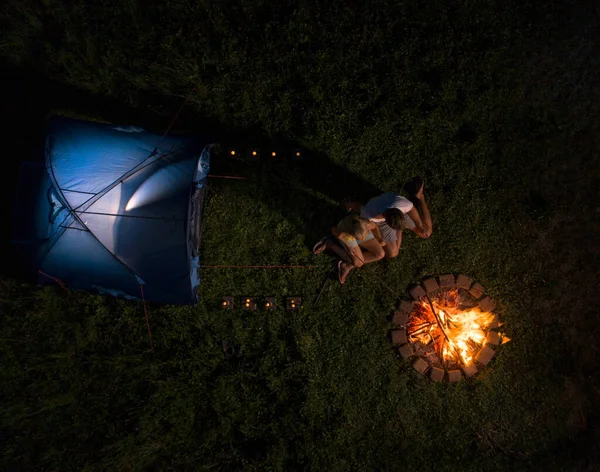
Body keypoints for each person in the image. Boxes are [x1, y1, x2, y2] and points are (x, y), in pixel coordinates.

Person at [342, 177, 432, 259]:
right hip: (380, 219)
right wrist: (379, 237)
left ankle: (421, 197)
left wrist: (419, 224)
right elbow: (362, 211)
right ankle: (399, 229)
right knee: (393, 253)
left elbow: (412, 209)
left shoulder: (402, 204)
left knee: (426, 232)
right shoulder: (371, 214)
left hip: (392, 212)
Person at [313, 213, 386, 284]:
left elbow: (375, 226)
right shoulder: (344, 233)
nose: (362, 240)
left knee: (380, 254)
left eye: (362, 238)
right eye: (359, 239)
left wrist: (379, 238)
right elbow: (334, 231)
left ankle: (349, 265)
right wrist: (349, 247)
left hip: (359, 230)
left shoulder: (366, 224)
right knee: (359, 263)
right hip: (349, 235)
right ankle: (330, 244)